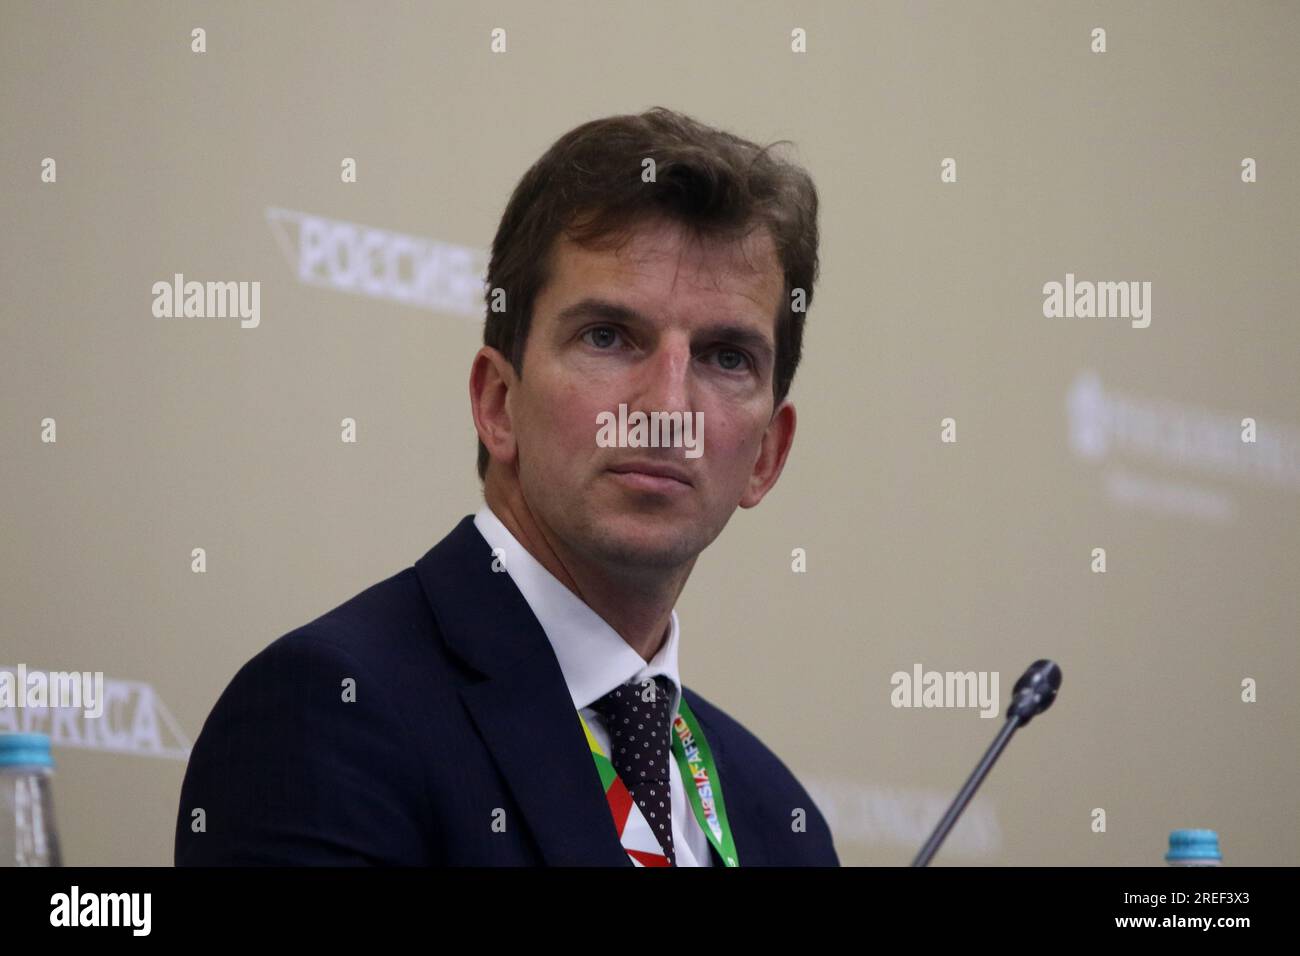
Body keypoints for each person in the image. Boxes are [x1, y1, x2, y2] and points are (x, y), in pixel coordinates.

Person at [174, 107, 837, 866]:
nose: (667, 409)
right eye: (609, 337)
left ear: (766, 456)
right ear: (497, 404)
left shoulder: (778, 819)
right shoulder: (326, 714)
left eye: (725, 357)